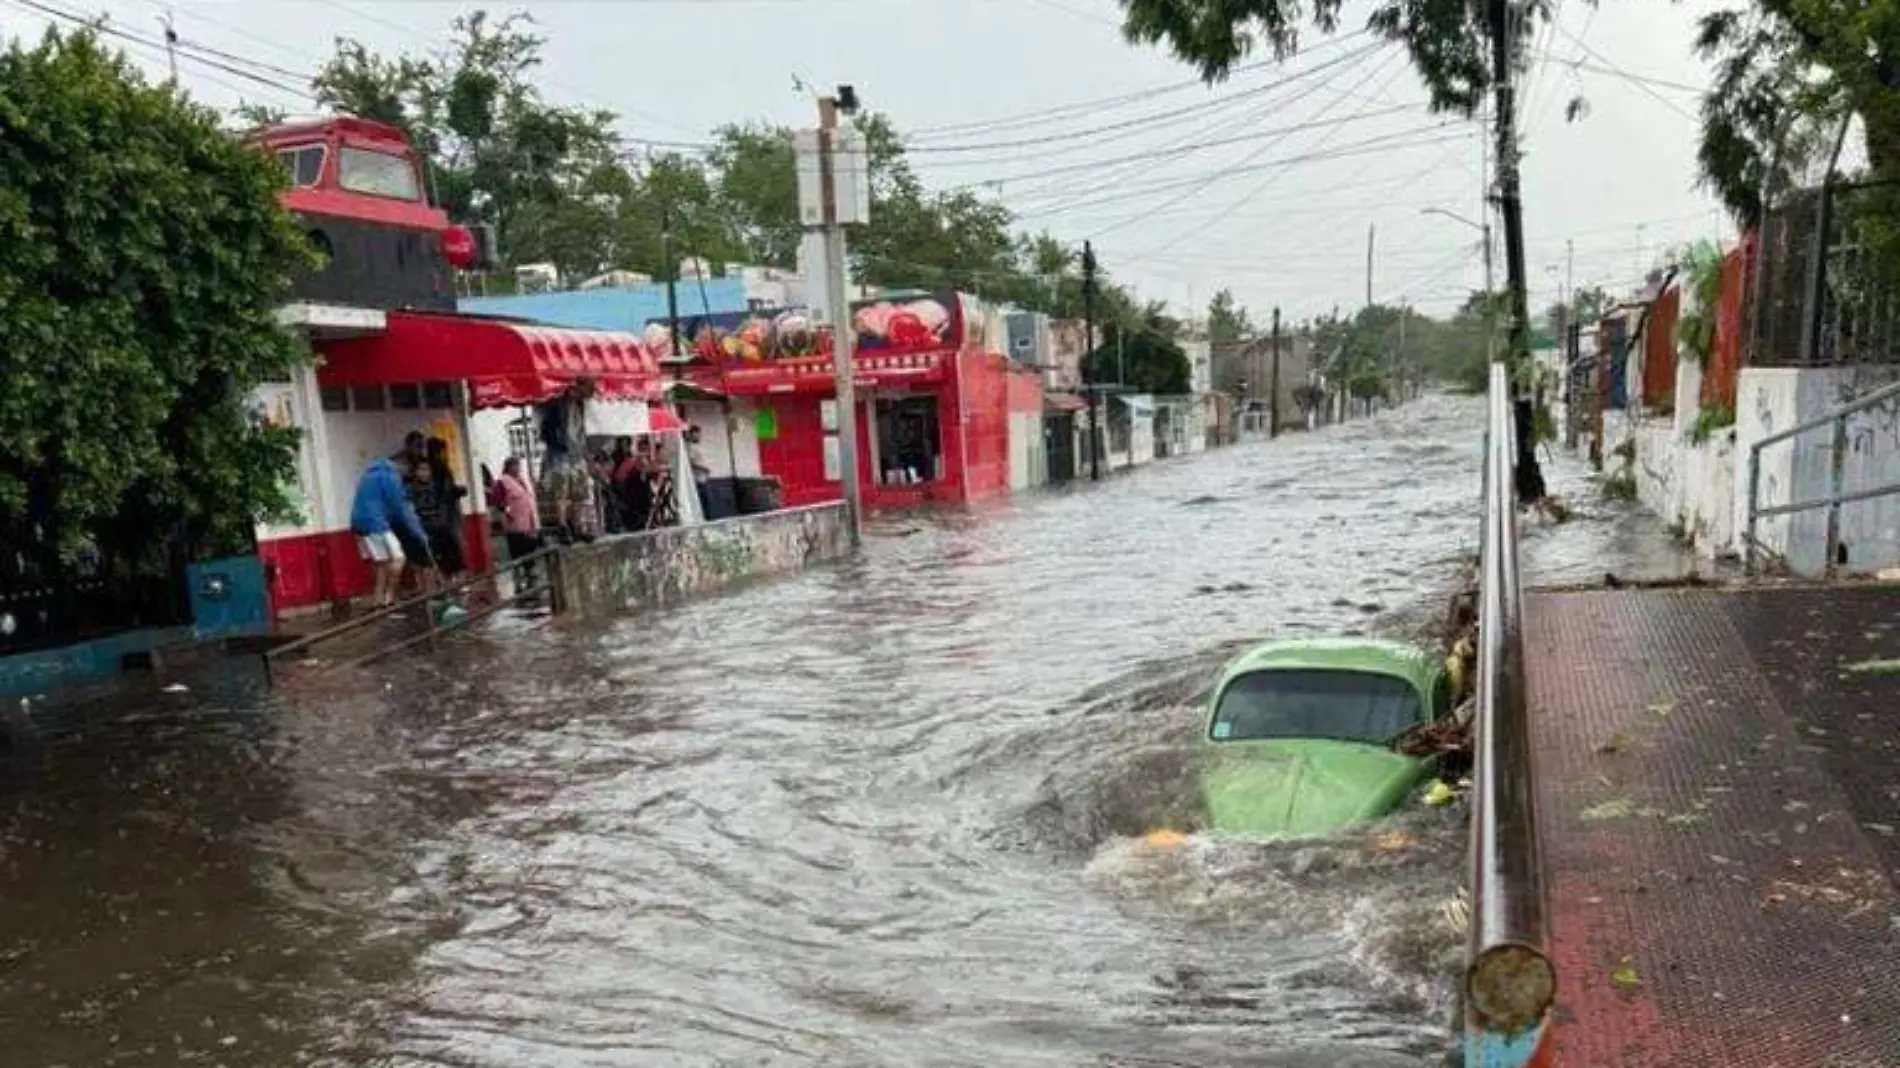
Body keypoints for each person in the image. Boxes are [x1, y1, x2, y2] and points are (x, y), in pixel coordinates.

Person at [349, 445, 428, 609]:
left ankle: (377, 600)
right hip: (375, 523)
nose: (408, 472)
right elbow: (400, 507)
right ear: (399, 465)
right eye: (407, 468)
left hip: (359, 523)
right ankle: (389, 597)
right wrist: (419, 531)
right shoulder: (390, 477)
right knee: (399, 558)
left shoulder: (368, 475)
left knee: (381, 563)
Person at [488, 456, 544, 587]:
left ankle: (530, 573)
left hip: (528, 523)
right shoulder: (502, 482)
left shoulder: (521, 481)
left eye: (519, 466)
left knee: (529, 549)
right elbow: (498, 502)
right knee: (517, 551)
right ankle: (519, 578)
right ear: (509, 467)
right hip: (514, 525)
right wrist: (508, 512)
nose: (518, 469)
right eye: (516, 466)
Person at [423, 437, 469, 579]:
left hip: (434, 516)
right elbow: (446, 492)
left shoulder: (427, 467)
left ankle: (448, 578)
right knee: (454, 546)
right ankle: (455, 579)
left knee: (442, 549)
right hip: (446, 515)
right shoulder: (440, 468)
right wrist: (460, 491)